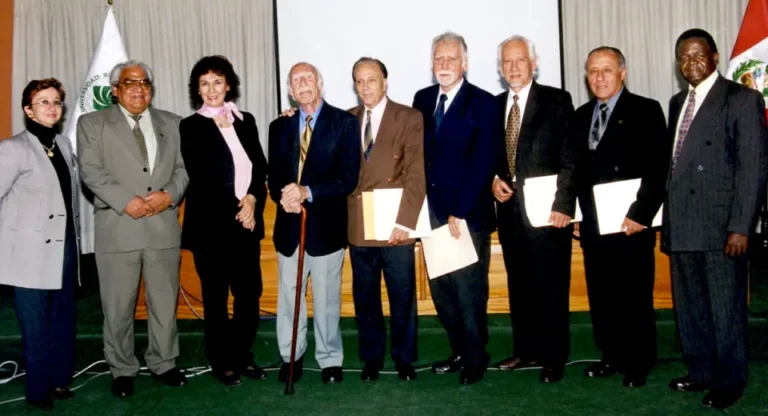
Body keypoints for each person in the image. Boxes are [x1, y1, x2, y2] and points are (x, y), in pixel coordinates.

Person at [663, 29, 768, 410]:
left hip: (722, 227)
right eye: (683, 58)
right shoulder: (677, 102)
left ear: (715, 56)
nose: (691, 63)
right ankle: (701, 371)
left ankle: (730, 381)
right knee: (689, 309)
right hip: (683, 225)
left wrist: (741, 226)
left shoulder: (741, 99)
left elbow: (753, 168)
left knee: (725, 309)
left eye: (698, 55)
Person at [77, 60, 189, 398]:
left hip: (163, 228)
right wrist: (127, 201)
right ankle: (122, 368)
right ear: (115, 90)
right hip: (118, 226)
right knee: (118, 305)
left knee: (164, 303)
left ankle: (164, 362)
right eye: (129, 82)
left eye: (144, 82)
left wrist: (170, 194)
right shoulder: (92, 123)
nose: (138, 88)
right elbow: (91, 170)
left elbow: (184, 168)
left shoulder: (173, 123)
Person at [573, 46, 669, 388]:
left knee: (634, 295)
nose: (598, 77)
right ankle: (610, 355)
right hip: (596, 224)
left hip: (631, 223)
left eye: (606, 70)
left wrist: (640, 213)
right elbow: (575, 170)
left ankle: (639, 361)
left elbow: (658, 169)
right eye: (592, 71)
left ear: (623, 73)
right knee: (602, 295)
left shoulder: (646, 110)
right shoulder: (581, 114)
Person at [411, 32, 497, 385]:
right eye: (438, 59)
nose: (444, 65)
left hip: (466, 215)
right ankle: (459, 351)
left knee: (468, 290)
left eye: (451, 59)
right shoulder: (422, 98)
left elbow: (482, 161)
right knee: (442, 290)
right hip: (431, 214)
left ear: (465, 63)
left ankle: (477, 357)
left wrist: (459, 210)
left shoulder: (485, 102)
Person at [268, 62, 360, 384]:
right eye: (296, 80)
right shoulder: (278, 127)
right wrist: (285, 197)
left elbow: (348, 179)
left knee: (326, 298)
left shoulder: (345, 123)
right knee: (289, 296)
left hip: (326, 228)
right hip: (289, 226)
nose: (303, 84)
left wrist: (307, 191)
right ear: (291, 90)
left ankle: (329, 358)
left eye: (308, 78)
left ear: (320, 83)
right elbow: (275, 176)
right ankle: (290, 356)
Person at [492, 35, 576, 384]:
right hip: (510, 214)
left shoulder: (557, 100)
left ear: (534, 63)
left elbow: (571, 157)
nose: (513, 67)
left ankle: (554, 357)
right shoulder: (495, 105)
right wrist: (492, 181)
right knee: (520, 286)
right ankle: (526, 351)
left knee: (551, 286)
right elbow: (492, 158)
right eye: (507, 62)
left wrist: (564, 205)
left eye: (520, 61)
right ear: (500, 68)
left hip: (548, 213)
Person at [179, 55, 268, 386]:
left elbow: (259, 167)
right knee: (215, 298)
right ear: (197, 90)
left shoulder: (246, 120)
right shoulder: (191, 126)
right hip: (211, 229)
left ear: (228, 85)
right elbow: (202, 179)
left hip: (246, 223)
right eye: (204, 83)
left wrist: (253, 200)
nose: (211, 89)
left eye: (217, 82)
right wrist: (238, 207)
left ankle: (242, 356)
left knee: (249, 295)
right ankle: (221, 362)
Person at [0, 78, 80, 410]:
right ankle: (37, 390)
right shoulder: (13, 148)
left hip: (64, 247)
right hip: (30, 253)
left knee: (63, 319)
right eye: (43, 102)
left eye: (57, 102)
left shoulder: (63, 144)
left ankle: (60, 380)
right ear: (27, 109)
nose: (52, 107)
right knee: (34, 326)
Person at [347, 57, 425, 382]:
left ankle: (404, 360)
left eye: (372, 80)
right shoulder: (345, 120)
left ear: (385, 81)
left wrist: (405, 222)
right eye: (359, 81)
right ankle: (371, 359)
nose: (365, 87)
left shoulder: (408, 117)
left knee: (402, 295)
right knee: (365, 297)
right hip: (359, 224)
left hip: (396, 224)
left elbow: (416, 174)